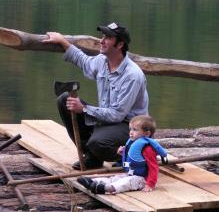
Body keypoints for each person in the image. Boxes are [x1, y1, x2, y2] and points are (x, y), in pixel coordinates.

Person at [43, 22, 149, 170]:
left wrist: (84, 109)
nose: (102, 40)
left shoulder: (132, 75)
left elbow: (117, 115)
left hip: (130, 126)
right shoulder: (102, 60)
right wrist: (63, 42)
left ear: (119, 45)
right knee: (65, 100)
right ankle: (92, 157)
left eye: (108, 38)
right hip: (108, 120)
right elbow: (85, 62)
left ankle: (130, 153)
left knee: (97, 142)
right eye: (103, 36)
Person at [77, 115, 167, 194]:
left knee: (126, 182)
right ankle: (93, 182)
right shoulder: (132, 143)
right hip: (130, 174)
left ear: (147, 134)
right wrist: (122, 153)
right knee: (116, 178)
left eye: (135, 130)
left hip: (142, 179)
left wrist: (150, 184)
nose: (131, 132)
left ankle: (106, 188)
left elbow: (153, 167)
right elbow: (131, 159)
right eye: (130, 129)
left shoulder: (148, 149)